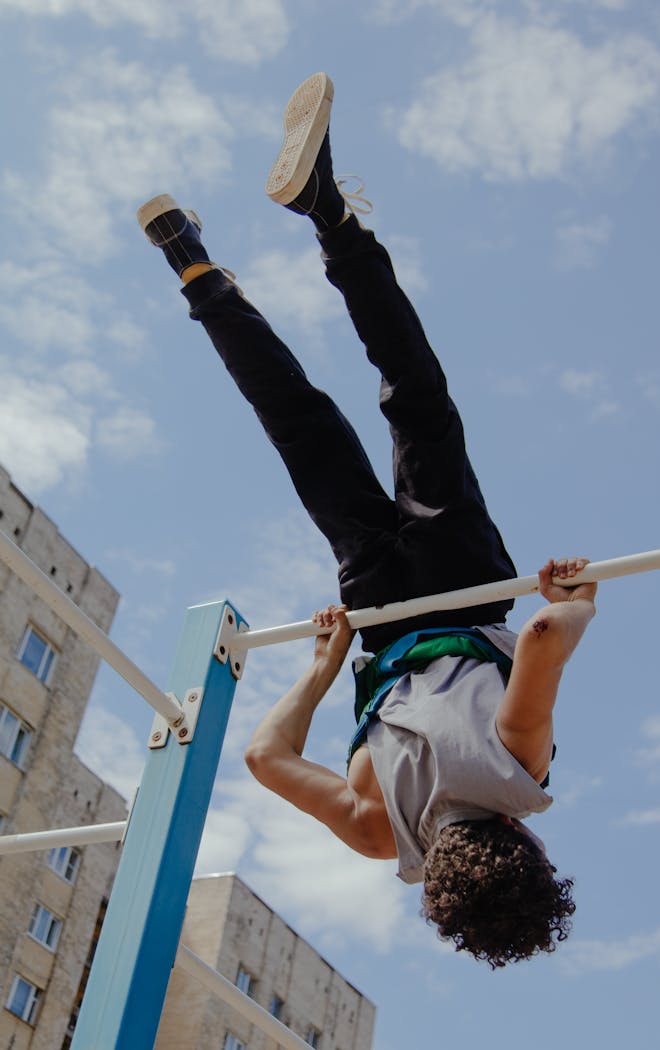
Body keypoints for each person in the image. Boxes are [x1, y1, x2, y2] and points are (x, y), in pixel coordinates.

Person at [137, 72, 597, 968]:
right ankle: (192, 264)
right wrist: (323, 666)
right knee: (303, 429)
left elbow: (540, 633)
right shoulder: (378, 832)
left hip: (462, 585)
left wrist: (578, 601)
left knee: (416, 397)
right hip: (377, 610)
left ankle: (332, 219)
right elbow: (268, 761)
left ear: (533, 854)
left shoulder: (518, 772)